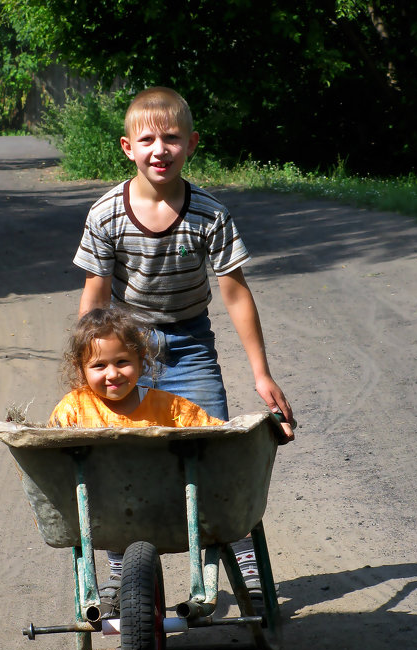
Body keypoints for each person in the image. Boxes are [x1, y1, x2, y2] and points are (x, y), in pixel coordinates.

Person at [71, 86, 295, 610]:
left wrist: (260, 375)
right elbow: (95, 296)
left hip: (191, 343)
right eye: (147, 139)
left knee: (214, 452)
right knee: (117, 457)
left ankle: (236, 562)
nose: (160, 149)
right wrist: (92, 369)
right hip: (126, 347)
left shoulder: (209, 214)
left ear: (191, 144)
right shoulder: (106, 214)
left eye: (171, 138)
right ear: (128, 147)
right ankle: (122, 575)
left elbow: (235, 293)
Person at [49, 307, 226, 616]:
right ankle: (118, 573)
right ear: (81, 369)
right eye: (99, 365)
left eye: (122, 362)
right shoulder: (73, 408)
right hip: (103, 510)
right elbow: (49, 448)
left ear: (142, 361)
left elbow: (217, 434)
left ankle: (139, 579)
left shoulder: (169, 406)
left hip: (168, 507)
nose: (112, 374)